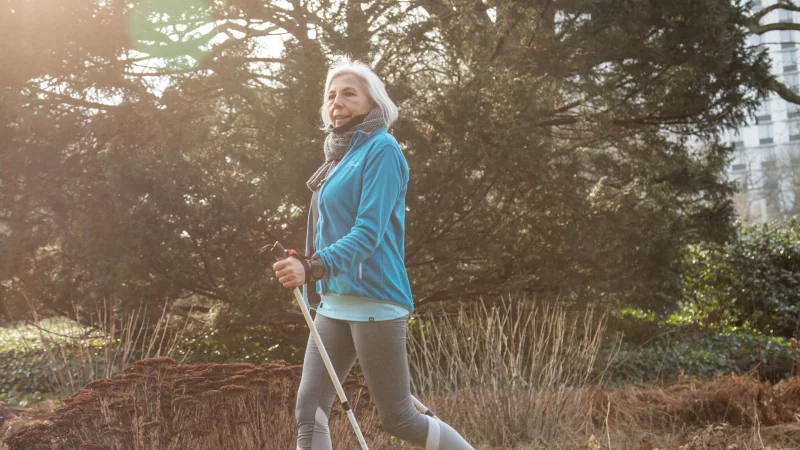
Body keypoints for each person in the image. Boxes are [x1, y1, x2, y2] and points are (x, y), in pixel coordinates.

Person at [272, 57, 474, 450]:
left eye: (349, 93)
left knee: (398, 418)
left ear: (373, 102)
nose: (337, 101)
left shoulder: (382, 150)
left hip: (374, 299)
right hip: (334, 301)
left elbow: (368, 233)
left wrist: (312, 266)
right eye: (331, 95)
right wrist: (307, 263)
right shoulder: (339, 156)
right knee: (309, 410)